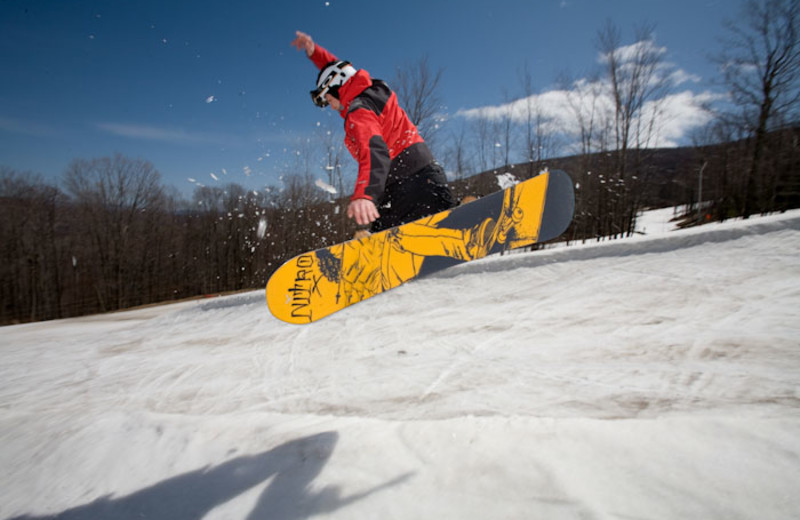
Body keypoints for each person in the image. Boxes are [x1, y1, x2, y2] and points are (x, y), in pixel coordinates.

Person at [290, 31, 456, 234]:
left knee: (390, 250)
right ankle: (457, 210)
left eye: (329, 100)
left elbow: (374, 150)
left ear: (337, 87)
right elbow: (340, 69)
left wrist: (365, 194)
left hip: (408, 187)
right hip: (423, 177)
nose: (331, 107)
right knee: (390, 239)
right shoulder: (370, 90)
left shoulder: (359, 111)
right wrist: (314, 51)